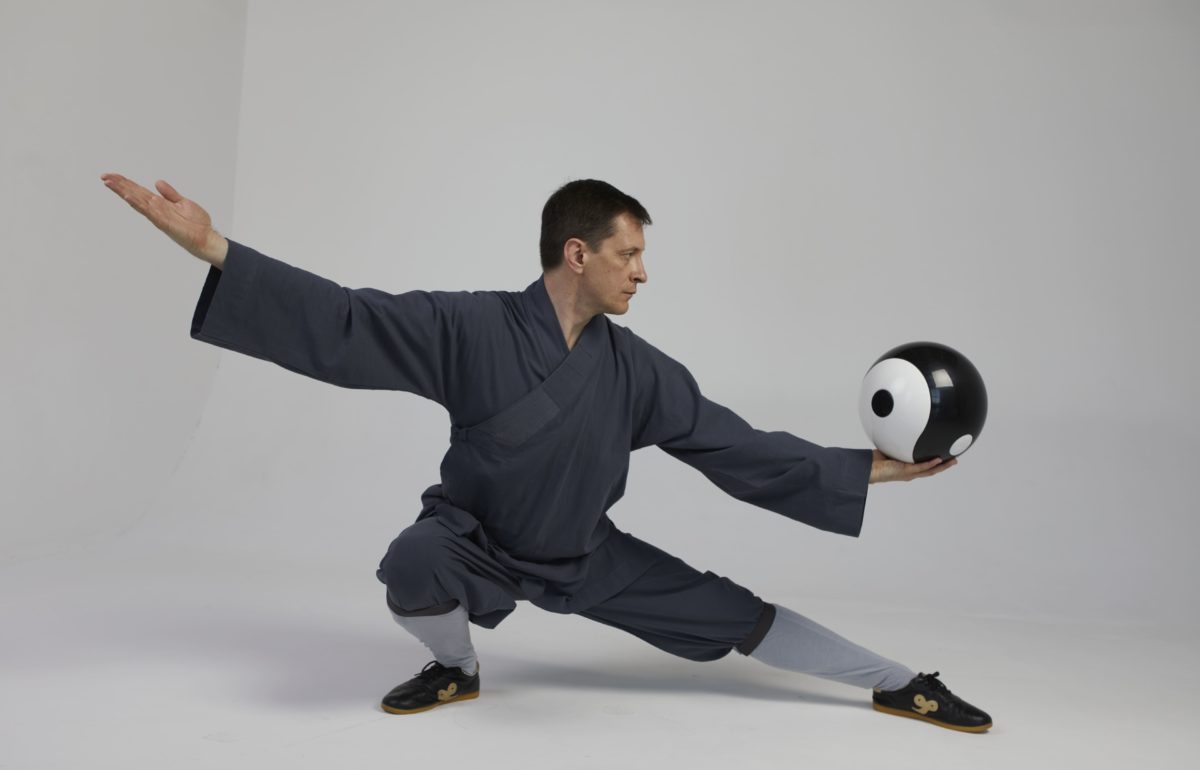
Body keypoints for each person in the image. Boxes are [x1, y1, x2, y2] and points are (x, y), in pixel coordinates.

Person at [100, 172, 992, 733]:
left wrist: (873, 468)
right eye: (628, 254)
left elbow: (739, 448)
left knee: (738, 615)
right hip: (475, 541)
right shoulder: (469, 327)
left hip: (585, 555)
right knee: (410, 561)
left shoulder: (639, 371)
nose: (641, 272)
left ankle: (897, 682)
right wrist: (216, 249)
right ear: (578, 253)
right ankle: (456, 667)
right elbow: (347, 319)